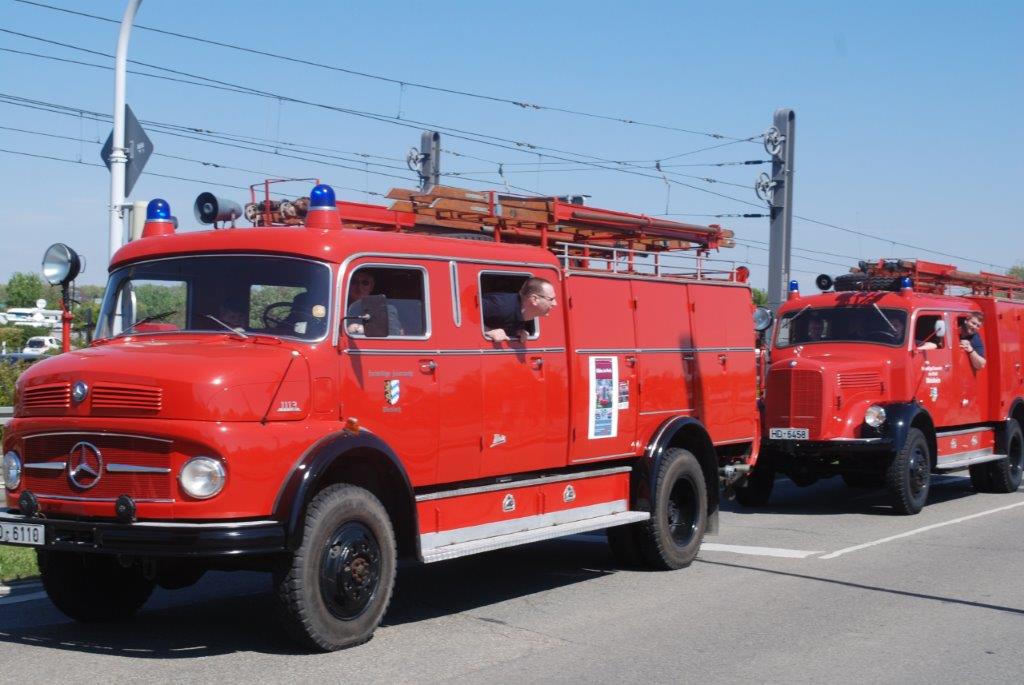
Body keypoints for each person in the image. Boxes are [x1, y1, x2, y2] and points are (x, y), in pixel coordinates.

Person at [482, 277, 557, 342]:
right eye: (551, 299)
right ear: (534, 299)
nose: (555, 303)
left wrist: (517, 332)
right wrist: (486, 331)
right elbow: (470, 322)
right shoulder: (498, 306)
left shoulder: (525, 313)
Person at [346, 271, 402, 336]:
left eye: (365, 283)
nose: (359, 287)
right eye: (354, 282)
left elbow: (393, 333)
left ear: (371, 287)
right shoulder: (338, 307)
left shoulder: (384, 309)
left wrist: (359, 328)